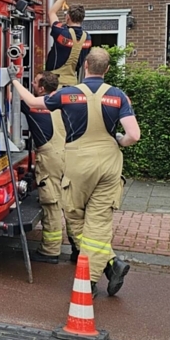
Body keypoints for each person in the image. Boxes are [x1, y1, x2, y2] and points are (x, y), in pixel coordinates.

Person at [13, 47, 140, 297]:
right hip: (110, 163)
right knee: (99, 222)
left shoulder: (69, 94)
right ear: (107, 69)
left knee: (75, 217)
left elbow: (32, 102)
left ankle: (95, 276)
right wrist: (118, 140)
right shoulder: (118, 96)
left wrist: (14, 80)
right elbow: (134, 135)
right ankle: (109, 265)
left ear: (85, 66)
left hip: (79, 163)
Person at [19, 72, 65, 263]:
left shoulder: (35, 107)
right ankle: (78, 248)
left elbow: (17, 98)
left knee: (51, 203)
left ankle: (50, 250)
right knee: (69, 204)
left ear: (42, 88)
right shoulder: (62, 105)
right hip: (68, 155)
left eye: (35, 82)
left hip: (50, 159)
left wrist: (12, 80)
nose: (32, 83)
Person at [46, 0, 91, 86]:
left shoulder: (61, 32)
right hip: (73, 83)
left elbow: (52, 12)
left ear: (67, 17)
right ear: (82, 18)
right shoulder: (88, 38)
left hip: (53, 83)